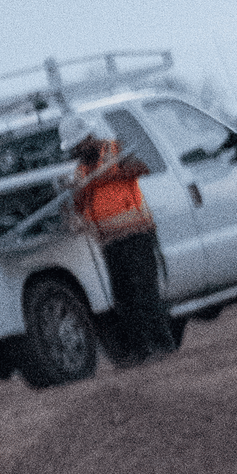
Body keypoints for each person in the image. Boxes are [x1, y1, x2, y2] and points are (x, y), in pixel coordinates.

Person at [65, 118, 177, 359]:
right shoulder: (80, 171)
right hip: (109, 241)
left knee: (146, 292)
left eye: (78, 145)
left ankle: (163, 345)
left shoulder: (117, 150)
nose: (76, 151)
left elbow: (142, 168)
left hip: (137, 232)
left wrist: (109, 174)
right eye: (73, 148)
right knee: (124, 297)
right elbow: (78, 204)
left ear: (88, 138)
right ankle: (139, 350)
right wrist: (75, 198)